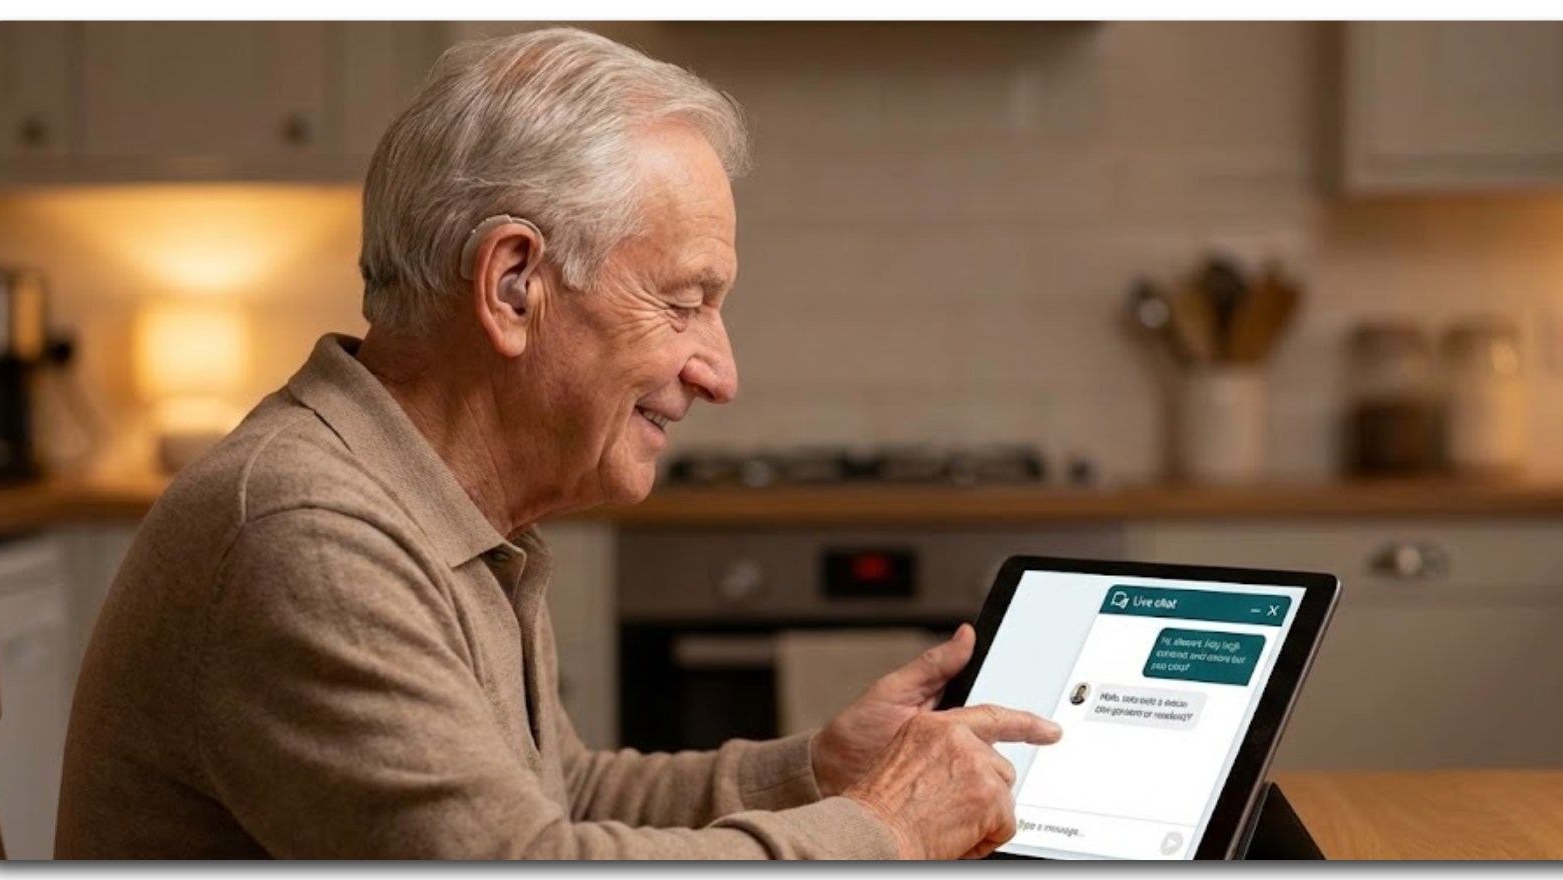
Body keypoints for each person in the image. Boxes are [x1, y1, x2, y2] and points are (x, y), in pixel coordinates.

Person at [53, 26, 1059, 860]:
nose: (719, 371)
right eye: (683, 302)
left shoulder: (436, 502)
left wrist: (824, 772)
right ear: (512, 285)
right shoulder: (303, 531)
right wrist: (881, 829)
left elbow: (557, 799)